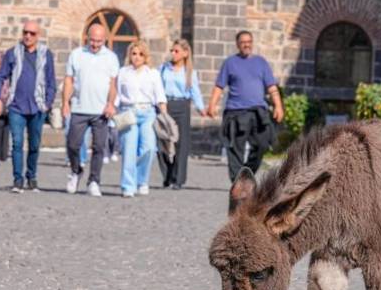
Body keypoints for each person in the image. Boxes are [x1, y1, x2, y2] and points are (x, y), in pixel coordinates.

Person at [205, 30, 285, 181]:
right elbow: (219, 86)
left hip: (258, 113)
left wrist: (278, 106)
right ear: (237, 44)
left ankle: (246, 177)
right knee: (235, 150)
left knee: (262, 145)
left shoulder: (261, 62)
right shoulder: (230, 63)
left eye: (249, 42)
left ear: (252, 43)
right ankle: (237, 183)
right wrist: (212, 105)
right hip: (235, 112)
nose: (246, 45)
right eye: (243, 42)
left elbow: (272, 87)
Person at [0, 20, 57, 193]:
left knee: (35, 145)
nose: (28, 36)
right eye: (25, 32)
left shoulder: (46, 54)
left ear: (38, 35)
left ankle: (32, 176)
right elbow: (0, 77)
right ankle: (17, 179)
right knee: (17, 143)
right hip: (16, 106)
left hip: (37, 107)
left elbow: (51, 81)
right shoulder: (12, 53)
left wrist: (48, 103)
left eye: (32, 33)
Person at [63, 22, 119, 196]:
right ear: (87, 37)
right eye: (92, 40)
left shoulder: (111, 58)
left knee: (99, 147)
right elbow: (69, 80)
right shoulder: (76, 54)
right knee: (72, 144)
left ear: (104, 40)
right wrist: (65, 102)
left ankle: (94, 180)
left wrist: (111, 103)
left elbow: (113, 84)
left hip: (100, 110)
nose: (95, 44)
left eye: (99, 41)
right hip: (79, 107)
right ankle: (76, 170)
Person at [115, 41, 167, 198]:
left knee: (149, 148)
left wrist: (165, 117)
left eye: (141, 54)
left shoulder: (153, 73)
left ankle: (142, 180)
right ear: (129, 55)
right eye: (134, 54)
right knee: (129, 150)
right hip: (128, 112)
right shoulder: (123, 72)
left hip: (148, 113)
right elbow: (116, 94)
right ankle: (128, 185)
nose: (137, 57)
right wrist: (112, 110)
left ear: (146, 56)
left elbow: (160, 96)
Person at [159, 38, 204, 189]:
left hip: (182, 106)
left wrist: (201, 108)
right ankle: (167, 175)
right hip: (166, 105)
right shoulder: (164, 68)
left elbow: (195, 91)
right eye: (172, 50)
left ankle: (178, 179)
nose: (173, 53)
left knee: (181, 144)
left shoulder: (189, 72)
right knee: (162, 142)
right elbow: (157, 86)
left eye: (176, 51)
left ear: (185, 53)